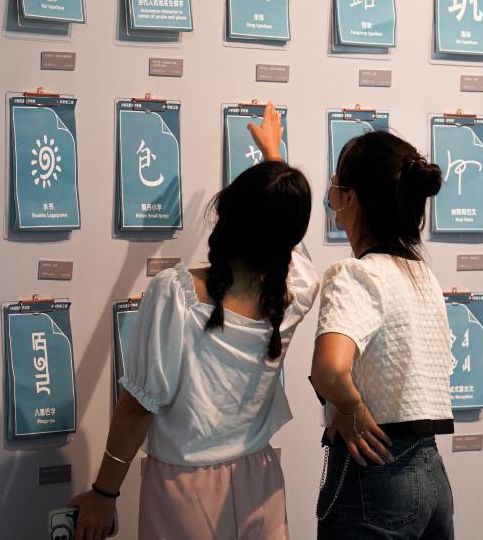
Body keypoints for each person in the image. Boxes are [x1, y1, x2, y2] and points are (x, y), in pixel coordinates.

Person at [69, 102, 318, 540]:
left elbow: (137, 407)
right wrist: (274, 159)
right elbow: (285, 237)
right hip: (261, 482)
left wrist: (105, 493)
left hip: (184, 491)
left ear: (226, 216)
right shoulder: (295, 292)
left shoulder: (176, 293)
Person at [311, 130, 455, 539]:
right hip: (431, 473)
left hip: (374, 475)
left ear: (351, 198)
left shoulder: (356, 274)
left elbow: (329, 370)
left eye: (336, 183)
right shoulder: (423, 277)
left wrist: (351, 407)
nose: (331, 194)